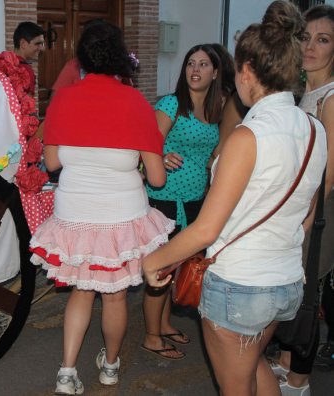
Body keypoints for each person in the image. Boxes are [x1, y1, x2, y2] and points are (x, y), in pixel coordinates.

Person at [142, 1, 328, 395]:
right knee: (254, 367)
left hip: (241, 286)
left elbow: (207, 228)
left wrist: (155, 260)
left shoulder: (248, 136)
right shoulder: (314, 128)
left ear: (246, 72)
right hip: (286, 280)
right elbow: (308, 214)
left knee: (235, 386)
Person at [29, 21, 174, 395]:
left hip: (75, 213)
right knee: (114, 295)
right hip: (121, 216)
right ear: (119, 55)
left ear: (83, 56)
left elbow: (53, 164)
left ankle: (66, 372)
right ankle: (110, 367)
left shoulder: (62, 99)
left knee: (81, 291)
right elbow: (157, 179)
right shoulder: (137, 104)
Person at [141, 43, 223, 360]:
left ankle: (162, 324)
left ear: (215, 73)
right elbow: (146, 144)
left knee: (176, 268)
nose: (195, 70)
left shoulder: (214, 111)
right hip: (165, 200)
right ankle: (150, 335)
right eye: (191, 63)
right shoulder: (172, 104)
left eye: (203, 64)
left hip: (195, 201)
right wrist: (161, 154)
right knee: (161, 269)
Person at [268, 4, 334, 395]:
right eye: (305, 37)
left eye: (323, 40)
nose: (311, 46)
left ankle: (299, 382)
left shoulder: (330, 97)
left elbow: (329, 175)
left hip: (319, 213)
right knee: (297, 290)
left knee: (309, 294)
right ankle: (288, 362)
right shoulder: (302, 92)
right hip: (299, 210)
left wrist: (304, 220)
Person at [13, 21, 45, 95]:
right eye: (37, 43)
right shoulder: (25, 70)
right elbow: (27, 105)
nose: (42, 48)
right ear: (23, 43)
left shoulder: (3, 63)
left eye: (42, 44)